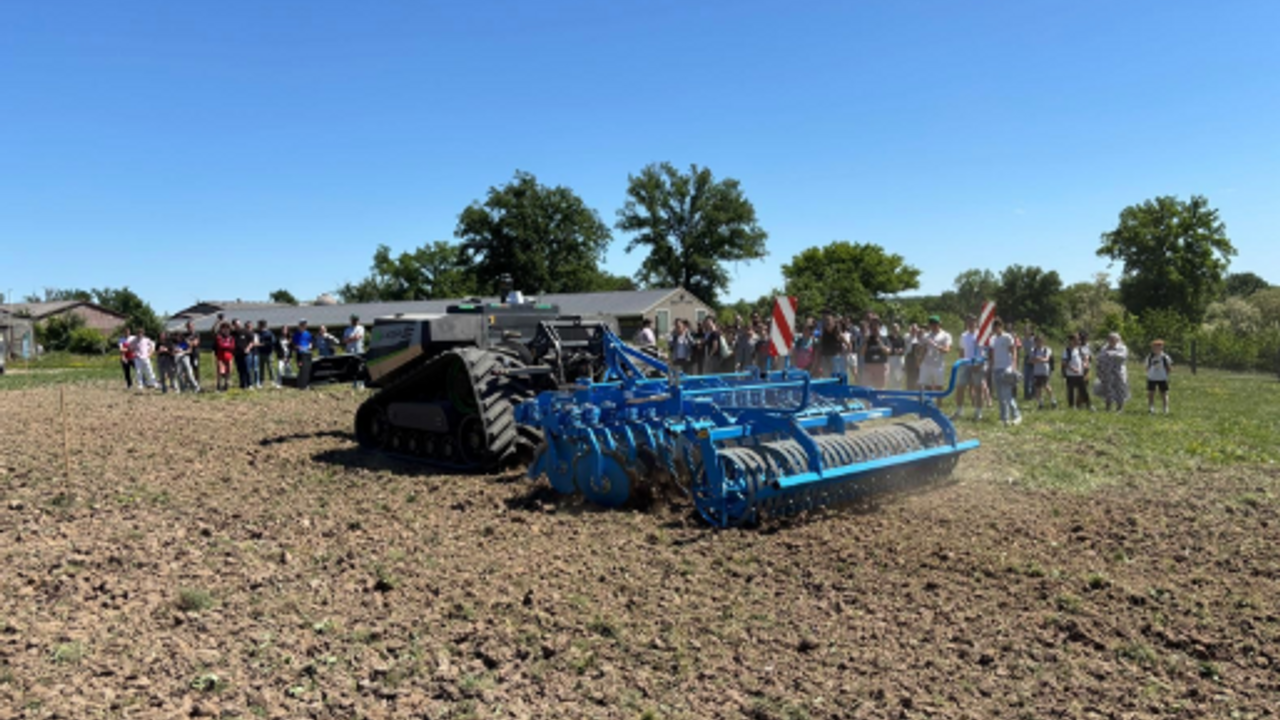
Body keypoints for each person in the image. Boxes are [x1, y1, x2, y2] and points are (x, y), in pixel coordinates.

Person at [987, 318, 1022, 425]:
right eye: (994, 326)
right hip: (997, 368)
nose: (996, 328)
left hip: (1006, 368)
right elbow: (992, 354)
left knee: (1007, 394)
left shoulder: (1007, 337)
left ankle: (1016, 415)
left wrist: (1013, 366)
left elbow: (1013, 351)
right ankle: (1004, 418)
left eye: (998, 326)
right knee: (1000, 396)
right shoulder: (992, 339)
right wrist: (991, 366)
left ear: (1001, 326)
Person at [953, 315, 986, 420]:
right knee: (960, 387)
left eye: (973, 322)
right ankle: (959, 410)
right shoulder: (963, 336)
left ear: (976, 323)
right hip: (965, 364)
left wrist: (980, 364)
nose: (971, 324)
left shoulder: (981, 335)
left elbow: (985, 351)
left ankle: (978, 412)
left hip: (978, 364)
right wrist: (961, 362)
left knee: (978, 388)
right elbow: (962, 351)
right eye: (969, 322)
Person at [1096, 332, 1130, 412]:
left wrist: (1111, 354)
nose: (1110, 340)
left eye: (1113, 339)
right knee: (1107, 389)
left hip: (1118, 372)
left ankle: (1120, 407)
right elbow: (1100, 358)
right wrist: (1099, 369)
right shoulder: (1104, 348)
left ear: (1117, 340)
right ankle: (1108, 407)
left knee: (1120, 389)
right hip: (1106, 371)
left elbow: (1122, 357)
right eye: (1109, 338)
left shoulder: (1122, 347)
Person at [918, 315, 952, 391]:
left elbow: (947, 350)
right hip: (926, 364)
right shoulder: (926, 335)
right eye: (931, 323)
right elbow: (921, 349)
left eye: (935, 323)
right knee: (924, 386)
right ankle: (927, 402)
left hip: (938, 365)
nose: (933, 325)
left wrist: (936, 345)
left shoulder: (945, 335)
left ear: (939, 323)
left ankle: (938, 403)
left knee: (939, 387)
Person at [1062, 333, 1090, 410]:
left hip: (1080, 374)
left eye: (1078, 340)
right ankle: (1071, 406)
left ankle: (1088, 405)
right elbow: (1064, 363)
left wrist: (1085, 364)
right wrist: (1072, 369)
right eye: (1076, 340)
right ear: (1071, 341)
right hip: (1071, 374)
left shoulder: (1080, 349)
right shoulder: (1067, 351)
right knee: (1071, 391)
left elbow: (1085, 358)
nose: (1078, 341)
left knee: (1083, 390)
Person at [1145, 339, 1173, 415]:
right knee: (1151, 393)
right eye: (1155, 347)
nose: (1156, 349)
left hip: (1162, 378)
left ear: (1162, 348)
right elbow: (1147, 367)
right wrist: (1149, 374)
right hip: (1152, 377)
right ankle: (1151, 408)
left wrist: (1166, 375)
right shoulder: (1150, 357)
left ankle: (1165, 408)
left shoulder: (1165, 357)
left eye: (1159, 347)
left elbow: (1169, 367)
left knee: (1164, 393)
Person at [1030, 335, 1058, 409]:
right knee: (1038, 387)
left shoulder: (1047, 349)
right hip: (1036, 371)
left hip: (1045, 370)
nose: (1038, 343)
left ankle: (1053, 400)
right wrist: (1038, 360)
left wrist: (1038, 359)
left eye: (1040, 341)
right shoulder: (1033, 350)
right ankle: (1040, 403)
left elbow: (1047, 359)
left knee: (1046, 385)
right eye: (1037, 341)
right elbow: (1031, 360)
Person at [343, 315, 366, 389]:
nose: (355, 321)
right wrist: (351, 338)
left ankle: (362, 383)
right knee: (352, 367)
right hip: (350, 351)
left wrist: (350, 338)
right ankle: (354, 383)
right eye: (353, 320)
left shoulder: (361, 328)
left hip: (358, 350)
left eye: (356, 320)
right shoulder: (347, 329)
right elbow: (345, 340)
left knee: (360, 367)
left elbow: (358, 337)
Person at [213, 322, 235, 392]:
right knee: (220, 371)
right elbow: (220, 345)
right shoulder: (219, 337)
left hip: (229, 356)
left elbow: (232, 346)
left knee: (229, 371)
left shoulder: (231, 337)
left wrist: (226, 346)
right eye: (224, 328)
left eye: (227, 328)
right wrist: (227, 346)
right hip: (220, 356)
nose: (225, 330)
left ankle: (226, 384)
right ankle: (218, 385)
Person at [231, 319, 251, 390]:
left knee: (247, 369)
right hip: (237, 354)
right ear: (233, 325)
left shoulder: (245, 331)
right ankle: (242, 384)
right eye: (236, 324)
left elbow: (251, 341)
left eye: (239, 324)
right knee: (240, 370)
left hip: (245, 354)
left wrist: (248, 348)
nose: (238, 325)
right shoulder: (232, 333)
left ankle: (249, 384)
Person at [293, 319, 314, 389]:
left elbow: (310, 342)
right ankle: (301, 384)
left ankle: (306, 383)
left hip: (307, 353)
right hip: (300, 354)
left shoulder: (308, 334)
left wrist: (310, 346)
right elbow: (294, 344)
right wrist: (299, 347)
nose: (304, 326)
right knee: (301, 368)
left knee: (308, 369)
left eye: (305, 325)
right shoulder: (296, 334)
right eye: (302, 325)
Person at [257, 320, 276, 389]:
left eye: (259, 325)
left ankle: (273, 380)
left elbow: (273, 342)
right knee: (261, 368)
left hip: (268, 353)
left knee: (270, 367)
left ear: (262, 325)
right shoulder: (258, 333)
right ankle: (261, 381)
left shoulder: (269, 333)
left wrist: (263, 344)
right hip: (260, 353)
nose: (258, 326)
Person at [887, 323, 906, 389]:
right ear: (891, 329)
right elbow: (887, 348)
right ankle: (892, 389)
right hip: (891, 358)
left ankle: (898, 389)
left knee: (899, 375)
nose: (895, 329)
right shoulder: (888, 338)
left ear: (899, 329)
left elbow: (904, 348)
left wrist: (901, 350)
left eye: (897, 327)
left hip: (899, 358)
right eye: (894, 327)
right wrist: (894, 351)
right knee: (891, 375)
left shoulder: (901, 338)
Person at [1021, 322, 1037, 401]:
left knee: (1033, 378)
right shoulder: (1023, 339)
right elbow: (1024, 349)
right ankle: (1026, 396)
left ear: (1030, 331)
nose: (1025, 332)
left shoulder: (1034, 339)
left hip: (1034, 359)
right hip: (1027, 358)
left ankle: (1033, 395)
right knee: (1026, 378)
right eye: (1024, 330)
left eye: (1026, 330)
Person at [184, 320, 202, 386]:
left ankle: (197, 382)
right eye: (188, 327)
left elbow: (196, 343)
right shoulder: (185, 335)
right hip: (187, 354)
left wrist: (189, 343)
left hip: (195, 353)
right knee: (187, 368)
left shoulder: (196, 334)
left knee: (195, 368)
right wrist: (189, 343)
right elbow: (184, 344)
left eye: (191, 326)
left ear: (193, 326)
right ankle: (188, 382)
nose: (189, 328)